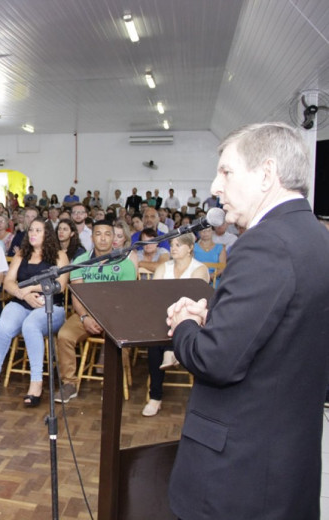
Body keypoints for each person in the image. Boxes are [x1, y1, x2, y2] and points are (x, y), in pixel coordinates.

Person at [165, 123, 329, 519]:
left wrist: (186, 323)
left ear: (266, 174)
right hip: (288, 467)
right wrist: (219, 317)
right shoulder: (317, 238)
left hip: (236, 477)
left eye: (226, 171)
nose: (215, 185)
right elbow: (283, 329)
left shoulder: (264, 243)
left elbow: (216, 360)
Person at [0, 217, 70, 406]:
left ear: (47, 234)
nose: (33, 234)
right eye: (31, 230)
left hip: (50, 307)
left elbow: (61, 286)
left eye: (38, 230)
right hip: (22, 302)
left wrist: (31, 290)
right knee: (4, 324)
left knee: (30, 326)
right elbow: (8, 282)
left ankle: (36, 382)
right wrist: (22, 294)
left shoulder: (59, 255)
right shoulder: (22, 254)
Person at [54, 220, 137, 401]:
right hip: (87, 314)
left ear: (114, 238)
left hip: (114, 317)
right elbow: (77, 295)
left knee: (121, 341)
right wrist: (84, 317)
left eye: (108, 234)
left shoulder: (125, 263)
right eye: (98, 234)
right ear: (92, 237)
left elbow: (125, 299)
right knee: (64, 336)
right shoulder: (81, 261)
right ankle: (69, 383)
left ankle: (110, 384)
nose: (103, 239)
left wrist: (106, 319)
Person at [142, 233, 209, 417]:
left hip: (190, 319)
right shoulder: (165, 266)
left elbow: (193, 299)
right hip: (164, 315)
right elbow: (155, 294)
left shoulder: (199, 269)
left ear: (190, 248)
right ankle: (155, 397)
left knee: (174, 323)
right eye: (172, 244)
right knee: (154, 342)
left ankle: (170, 351)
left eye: (178, 245)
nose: (173, 248)